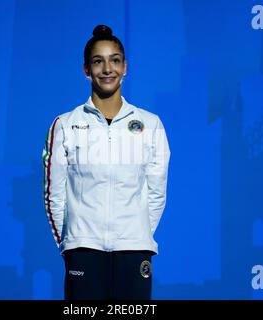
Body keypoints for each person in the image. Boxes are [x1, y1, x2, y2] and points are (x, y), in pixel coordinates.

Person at [42, 24, 170, 300]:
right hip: (83, 250)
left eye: (115, 60)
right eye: (98, 61)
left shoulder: (151, 124)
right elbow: (54, 196)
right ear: (87, 70)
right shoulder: (65, 125)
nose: (107, 69)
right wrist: (72, 243)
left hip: (134, 250)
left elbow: (156, 193)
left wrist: (134, 234)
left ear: (126, 67)